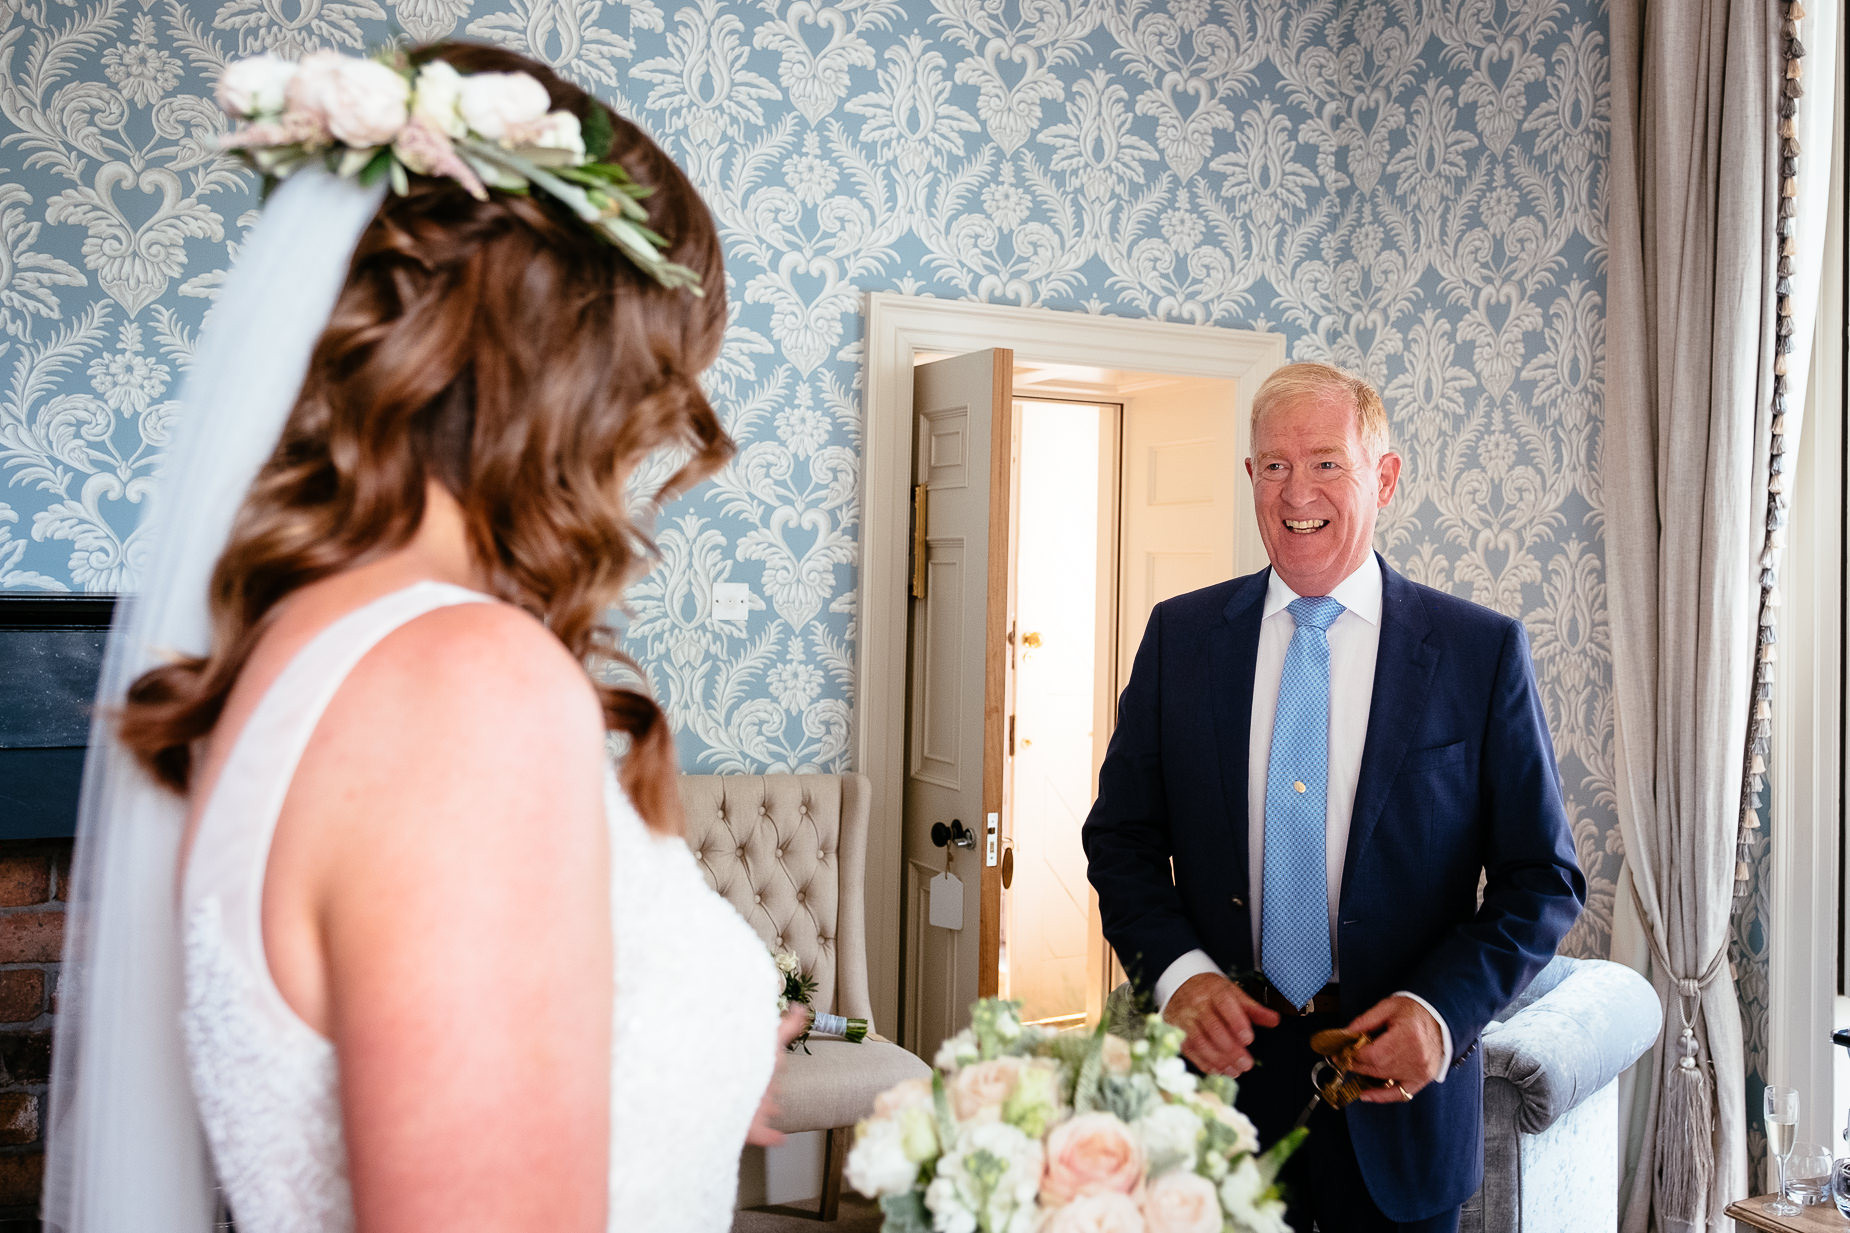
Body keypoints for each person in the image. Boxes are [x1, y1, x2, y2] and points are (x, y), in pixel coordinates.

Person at [45, 42, 802, 1233]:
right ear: (573, 364)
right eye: (654, 373)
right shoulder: (461, 687)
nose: (654, 433)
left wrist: (700, 1068)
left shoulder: (312, 641)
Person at [1082, 362, 1584, 1233]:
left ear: (1383, 477)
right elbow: (1120, 839)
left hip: (1400, 1108)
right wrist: (1180, 978)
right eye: (1272, 465)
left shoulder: (1479, 652)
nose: (1296, 490)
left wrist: (1442, 1012)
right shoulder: (1181, 639)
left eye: (1325, 463)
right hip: (1216, 1105)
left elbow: (1542, 877)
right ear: (1249, 480)